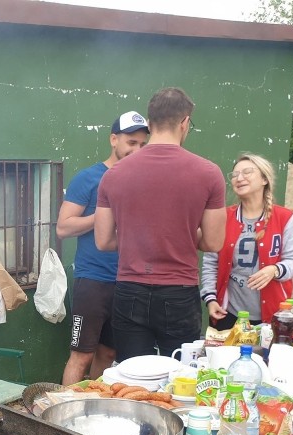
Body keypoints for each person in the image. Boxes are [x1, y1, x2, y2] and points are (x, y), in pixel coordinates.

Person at [94, 87, 225, 361]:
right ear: (185, 122)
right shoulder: (209, 173)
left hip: (129, 289)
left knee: (133, 377)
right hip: (179, 291)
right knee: (181, 378)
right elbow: (213, 242)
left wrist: (136, 234)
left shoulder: (113, 175)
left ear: (150, 123)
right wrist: (183, 231)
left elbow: (103, 241)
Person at [56, 111, 149, 385]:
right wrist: (105, 214)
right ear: (113, 139)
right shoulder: (89, 178)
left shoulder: (143, 182)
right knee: (81, 356)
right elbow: (63, 228)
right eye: (131, 142)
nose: (137, 150)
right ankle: (66, 419)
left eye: (143, 145)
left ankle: (93, 409)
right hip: (93, 280)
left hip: (129, 281)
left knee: (108, 354)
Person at [201, 153, 293, 330]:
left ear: (264, 179)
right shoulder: (223, 217)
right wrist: (211, 299)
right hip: (229, 315)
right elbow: (211, 263)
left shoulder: (285, 218)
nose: (239, 178)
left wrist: (275, 269)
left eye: (247, 172)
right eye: (234, 175)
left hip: (273, 317)